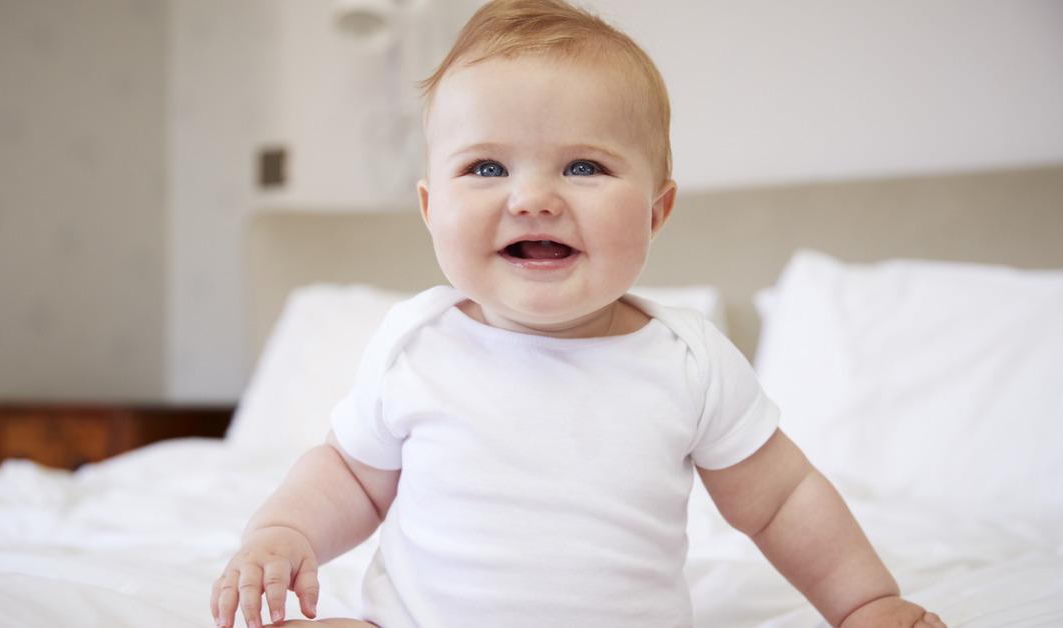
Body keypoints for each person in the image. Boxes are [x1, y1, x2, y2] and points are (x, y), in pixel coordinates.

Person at [211, 1, 947, 627]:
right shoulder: (416, 345)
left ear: (657, 211)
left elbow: (783, 501)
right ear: (431, 209)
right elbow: (350, 474)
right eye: (487, 168)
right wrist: (282, 531)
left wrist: (865, 604)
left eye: (583, 166)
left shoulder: (687, 360)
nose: (532, 198)